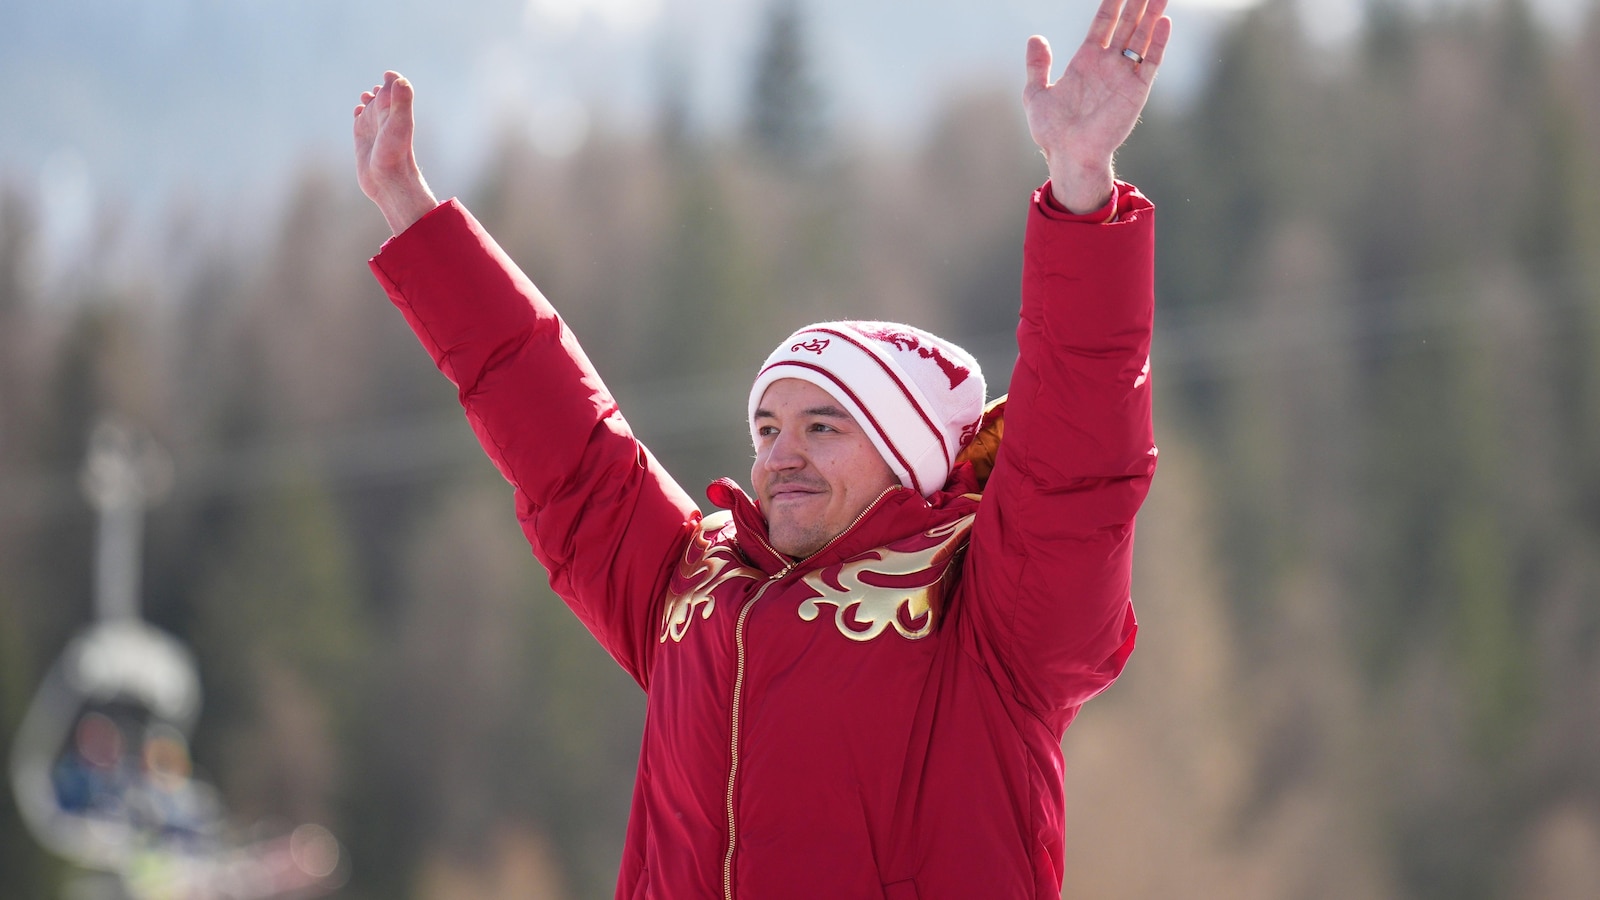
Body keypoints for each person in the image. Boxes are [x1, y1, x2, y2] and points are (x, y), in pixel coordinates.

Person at [353, 1, 1169, 897]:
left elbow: (1076, 479)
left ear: (908, 458)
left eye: (824, 426)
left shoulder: (989, 616)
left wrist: (1081, 186)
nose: (782, 454)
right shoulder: (691, 583)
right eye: (768, 429)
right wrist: (411, 213)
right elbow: (563, 445)